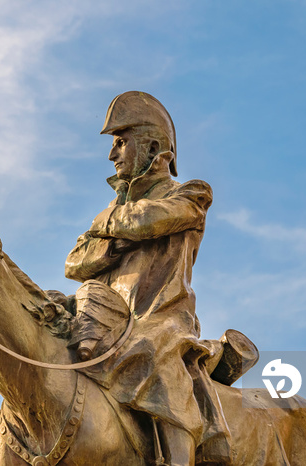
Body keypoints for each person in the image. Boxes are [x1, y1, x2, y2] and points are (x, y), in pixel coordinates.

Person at [65, 91, 232, 465]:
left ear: (154, 146)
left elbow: (149, 221)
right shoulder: (115, 206)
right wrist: (112, 244)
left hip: (161, 318)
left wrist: (104, 226)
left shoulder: (191, 193)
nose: (112, 155)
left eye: (121, 143)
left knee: (155, 348)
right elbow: (74, 263)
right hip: (106, 318)